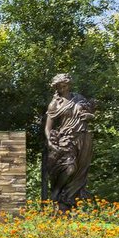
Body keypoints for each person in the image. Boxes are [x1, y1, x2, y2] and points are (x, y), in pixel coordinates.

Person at [44, 73, 94, 211]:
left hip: (83, 137)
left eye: (64, 85)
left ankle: (69, 200)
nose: (62, 88)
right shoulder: (55, 104)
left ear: (69, 84)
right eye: (59, 86)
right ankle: (56, 193)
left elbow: (91, 114)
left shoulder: (79, 99)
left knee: (81, 171)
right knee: (69, 167)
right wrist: (49, 141)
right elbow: (48, 127)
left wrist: (89, 116)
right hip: (66, 139)